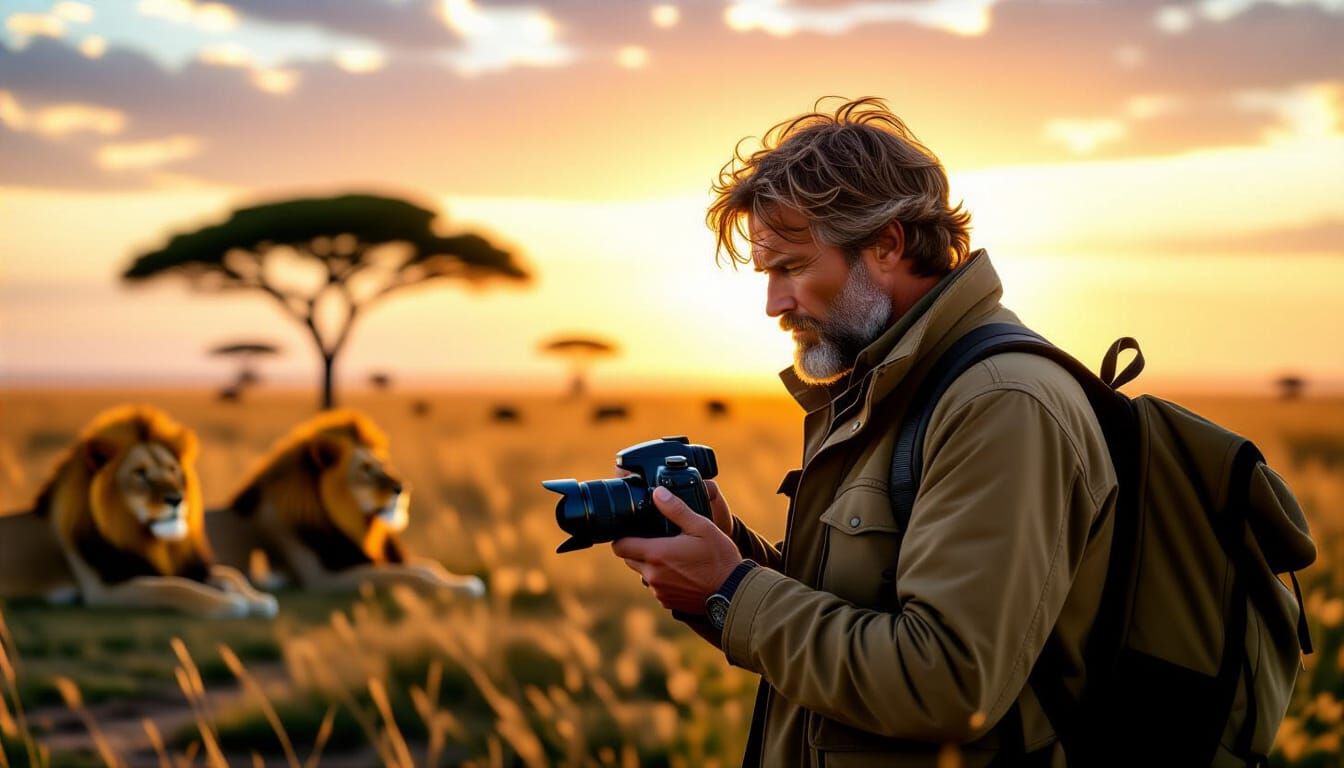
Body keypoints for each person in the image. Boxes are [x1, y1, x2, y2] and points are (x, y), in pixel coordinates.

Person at [610, 97, 1118, 767]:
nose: (774, 304)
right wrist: (732, 556)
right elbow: (857, 615)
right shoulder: (888, 387)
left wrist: (732, 592)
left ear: (887, 243)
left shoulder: (1002, 406)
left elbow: (948, 685)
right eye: (768, 274)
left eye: (791, 267)